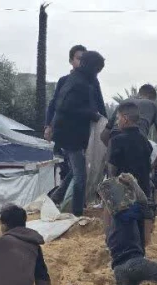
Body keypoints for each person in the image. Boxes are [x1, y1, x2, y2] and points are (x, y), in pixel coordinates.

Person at [51, 50, 106, 217]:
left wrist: (104, 120)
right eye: (97, 69)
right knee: (81, 175)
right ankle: (76, 213)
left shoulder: (86, 80)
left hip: (76, 132)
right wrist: (93, 115)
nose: (98, 73)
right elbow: (65, 106)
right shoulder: (77, 83)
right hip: (69, 134)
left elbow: (99, 102)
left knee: (76, 170)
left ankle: (56, 196)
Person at [108, 102, 154, 242]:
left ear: (125, 118)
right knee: (139, 238)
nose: (117, 122)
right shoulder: (146, 142)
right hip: (142, 196)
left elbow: (112, 171)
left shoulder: (117, 141)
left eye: (117, 118)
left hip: (124, 198)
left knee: (123, 237)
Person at [44, 45, 106, 142]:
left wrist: (105, 124)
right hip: (68, 131)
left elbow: (99, 103)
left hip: (87, 129)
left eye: (84, 59)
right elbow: (55, 104)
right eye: (78, 58)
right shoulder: (64, 80)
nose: (81, 62)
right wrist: (48, 125)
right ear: (71, 61)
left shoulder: (93, 81)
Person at [102, 84, 157, 173]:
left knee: (113, 182)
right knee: (139, 182)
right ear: (152, 98)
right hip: (138, 142)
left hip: (114, 140)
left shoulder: (124, 104)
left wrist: (113, 148)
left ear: (139, 93)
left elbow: (104, 135)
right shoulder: (154, 106)